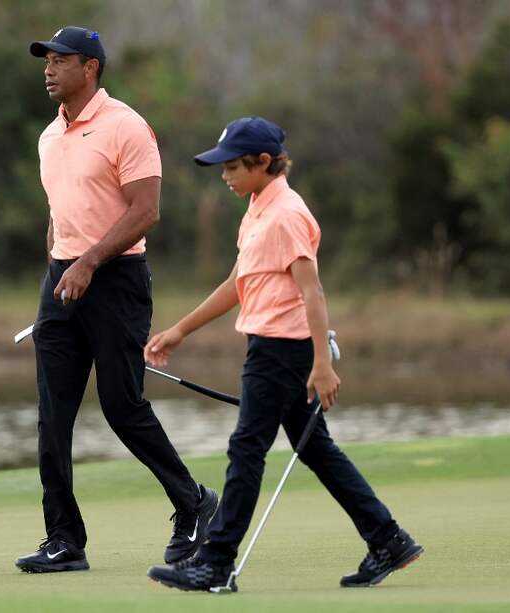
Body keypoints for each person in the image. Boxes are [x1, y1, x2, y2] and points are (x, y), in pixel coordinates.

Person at [144, 117, 423, 591]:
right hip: (272, 346)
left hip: (281, 351)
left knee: (246, 450)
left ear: (264, 163)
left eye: (233, 167)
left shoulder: (287, 214)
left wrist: (322, 363)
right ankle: (388, 539)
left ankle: (216, 561)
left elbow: (311, 292)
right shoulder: (257, 210)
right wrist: (181, 330)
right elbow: (239, 283)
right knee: (316, 449)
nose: (225, 176)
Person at [14, 26, 219, 574]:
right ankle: (64, 539)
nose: (48, 69)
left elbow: (145, 210)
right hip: (62, 283)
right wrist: (60, 268)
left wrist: (87, 262)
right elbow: (62, 215)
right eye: (46, 60)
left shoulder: (126, 126)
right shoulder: (48, 137)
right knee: (52, 415)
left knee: (122, 407)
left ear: (91, 68)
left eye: (60, 60)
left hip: (117, 281)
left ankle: (195, 503)